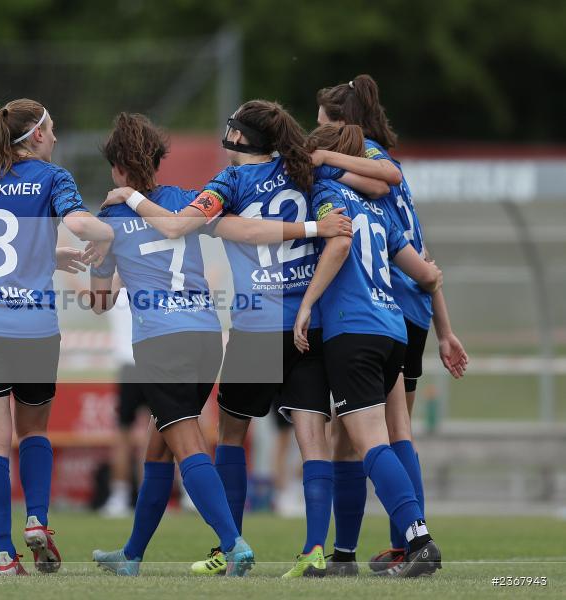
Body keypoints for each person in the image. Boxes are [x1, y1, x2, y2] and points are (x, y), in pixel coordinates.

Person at [100, 101, 388, 577]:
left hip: (255, 324)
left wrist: (128, 199)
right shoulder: (306, 172)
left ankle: (230, 547)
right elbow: (379, 185)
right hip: (307, 322)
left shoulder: (228, 184)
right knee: (312, 439)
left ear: (237, 138)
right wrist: (315, 234)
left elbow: (186, 225)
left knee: (230, 436)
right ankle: (315, 549)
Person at [88, 112, 256, 577]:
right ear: (156, 161)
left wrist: (94, 268)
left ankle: (233, 542)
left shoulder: (112, 215)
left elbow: (101, 302)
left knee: (185, 445)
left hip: (161, 341)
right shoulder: (182, 201)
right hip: (205, 334)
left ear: (119, 167)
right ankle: (132, 554)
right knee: (158, 448)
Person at [313, 75, 468, 575]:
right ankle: (380, 545)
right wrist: (444, 328)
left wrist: (323, 162)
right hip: (408, 311)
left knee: (368, 434)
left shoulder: (365, 160)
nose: (315, 135)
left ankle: (407, 541)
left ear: (343, 128)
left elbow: (384, 181)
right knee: (378, 431)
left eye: (322, 126)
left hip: (375, 307)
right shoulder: (377, 171)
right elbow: (424, 260)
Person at [0, 98, 114, 575]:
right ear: (38, 136)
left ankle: (4, 555)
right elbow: (80, 224)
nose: (58, 138)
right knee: (33, 432)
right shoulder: (52, 177)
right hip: (31, 327)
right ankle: (38, 520)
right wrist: (109, 235)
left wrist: (52, 256)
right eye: (54, 129)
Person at [293, 121, 445, 578]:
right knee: (376, 438)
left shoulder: (325, 191)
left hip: (352, 330)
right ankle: (343, 556)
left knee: (368, 442)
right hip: (393, 328)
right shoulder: (380, 206)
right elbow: (425, 274)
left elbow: (338, 245)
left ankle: (419, 540)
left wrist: (306, 305)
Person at [99, 279, 148, 518]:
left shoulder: (117, 289)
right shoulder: (146, 283)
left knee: (130, 435)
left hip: (140, 365)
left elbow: (86, 297)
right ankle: (123, 496)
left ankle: (125, 496)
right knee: (132, 435)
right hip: (140, 365)